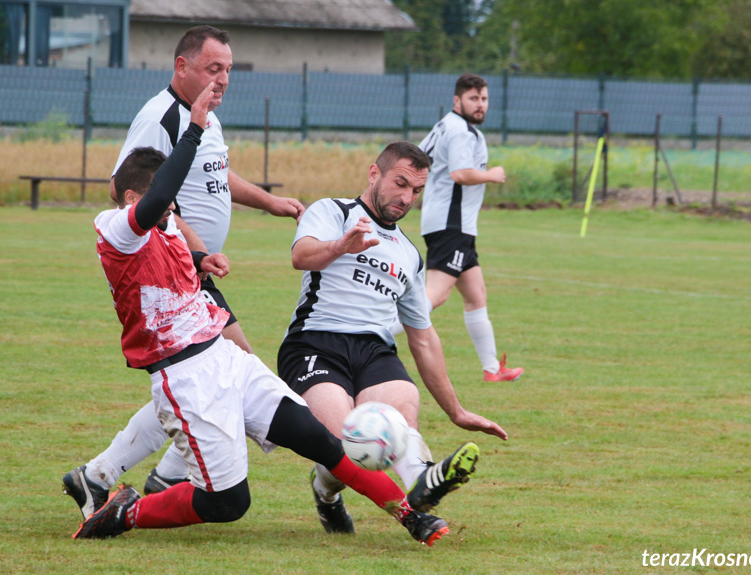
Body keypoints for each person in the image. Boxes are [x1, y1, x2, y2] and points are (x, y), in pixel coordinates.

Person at [72, 84, 449, 547]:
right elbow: (153, 208)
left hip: (224, 358)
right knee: (228, 503)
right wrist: (193, 129)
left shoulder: (164, 222)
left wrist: (199, 260)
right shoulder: (115, 228)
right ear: (132, 197)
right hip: (185, 375)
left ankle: (410, 514)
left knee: (319, 440)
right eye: (163, 201)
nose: (170, 210)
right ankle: (126, 512)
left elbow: (161, 253)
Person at [64, 26, 306, 514]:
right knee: (231, 372)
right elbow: (127, 189)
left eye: (228, 70)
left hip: (195, 273)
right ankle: (165, 476)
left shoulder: (204, 117)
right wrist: (193, 252)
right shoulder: (161, 116)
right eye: (213, 68)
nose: (223, 79)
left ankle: (102, 475)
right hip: (176, 275)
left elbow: (215, 173)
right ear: (182, 66)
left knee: (209, 380)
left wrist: (268, 201)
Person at [275, 141, 508, 535]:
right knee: (344, 442)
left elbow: (423, 338)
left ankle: (422, 480)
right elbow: (302, 255)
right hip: (315, 343)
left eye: (416, 190)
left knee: (400, 413)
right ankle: (337, 496)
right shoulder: (333, 212)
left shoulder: (409, 254)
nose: (406, 197)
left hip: (373, 350)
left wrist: (457, 411)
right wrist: (340, 245)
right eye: (400, 183)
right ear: (374, 174)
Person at [418, 73, 524, 383]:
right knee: (434, 296)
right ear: (457, 100)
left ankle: (492, 369)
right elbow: (460, 173)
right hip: (452, 225)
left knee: (476, 295)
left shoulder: (443, 126)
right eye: (473, 99)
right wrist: (490, 174)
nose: (480, 105)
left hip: (450, 223)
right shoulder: (462, 132)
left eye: (484, 99)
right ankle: (372, 330)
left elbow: (419, 158)